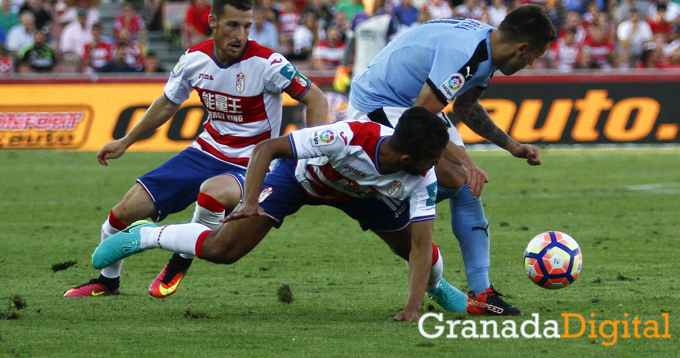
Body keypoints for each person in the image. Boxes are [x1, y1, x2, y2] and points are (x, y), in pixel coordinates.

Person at [64, 0, 328, 298]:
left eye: (247, 26)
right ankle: (108, 282)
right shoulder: (194, 59)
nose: (241, 35)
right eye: (233, 25)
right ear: (213, 22)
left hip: (253, 161)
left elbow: (316, 97)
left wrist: (311, 151)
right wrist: (126, 141)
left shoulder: (267, 64)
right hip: (204, 151)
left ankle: (181, 258)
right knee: (123, 212)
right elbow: (166, 104)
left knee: (212, 194)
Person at [92, 107, 469, 321]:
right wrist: (251, 200)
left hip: (363, 196)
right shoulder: (347, 136)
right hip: (301, 181)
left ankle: (437, 288)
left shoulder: (424, 177)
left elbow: (421, 245)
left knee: (416, 250)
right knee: (225, 251)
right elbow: (267, 148)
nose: (438, 167)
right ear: (407, 159)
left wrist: (413, 307)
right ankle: (144, 236)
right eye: (433, 159)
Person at [346, 4, 558, 316]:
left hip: (411, 102)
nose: (532, 63)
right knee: (459, 177)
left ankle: (481, 292)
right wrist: (468, 162)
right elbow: (421, 115)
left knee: (464, 183)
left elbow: (465, 107)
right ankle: (385, 199)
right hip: (379, 103)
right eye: (535, 57)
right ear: (522, 47)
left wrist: (511, 145)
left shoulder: (489, 48)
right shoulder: (468, 53)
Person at [333, 0, 398, 93]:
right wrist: (343, 66)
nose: (373, 0)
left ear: (381, 0)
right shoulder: (356, 18)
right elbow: (349, 45)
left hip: (381, 71)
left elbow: (394, 46)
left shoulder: (389, 19)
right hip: (360, 70)